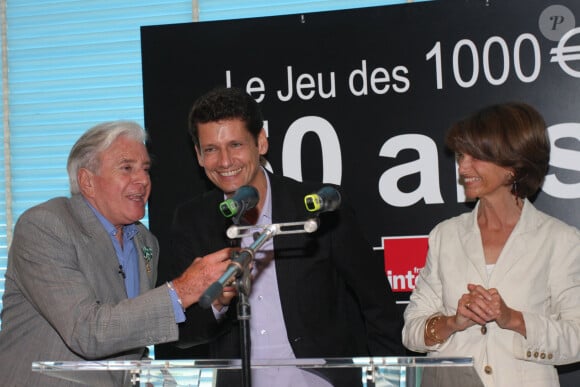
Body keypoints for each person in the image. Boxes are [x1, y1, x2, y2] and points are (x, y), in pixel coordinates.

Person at [155, 86, 405, 386]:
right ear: (198, 155)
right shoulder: (191, 221)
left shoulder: (317, 205)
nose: (224, 161)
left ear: (261, 142)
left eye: (235, 145)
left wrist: (387, 381)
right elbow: (181, 335)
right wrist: (219, 304)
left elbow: (378, 305)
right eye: (211, 149)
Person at [0, 121, 232, 386]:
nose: (143, 180)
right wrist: (180, 291)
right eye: (126, 168)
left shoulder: (145, 242)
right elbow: (87, 331)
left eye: (145, 169)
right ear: (87, 181)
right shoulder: (45, 226)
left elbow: (131, 339)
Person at [402, 102, 580, 386]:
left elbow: (576, 338)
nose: (462, 166)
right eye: (461, 155)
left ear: (513, 167)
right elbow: (411, 330)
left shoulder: (559, 240)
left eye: (477, 156)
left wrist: (513, 319)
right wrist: (453, 322)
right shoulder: (445, 235)